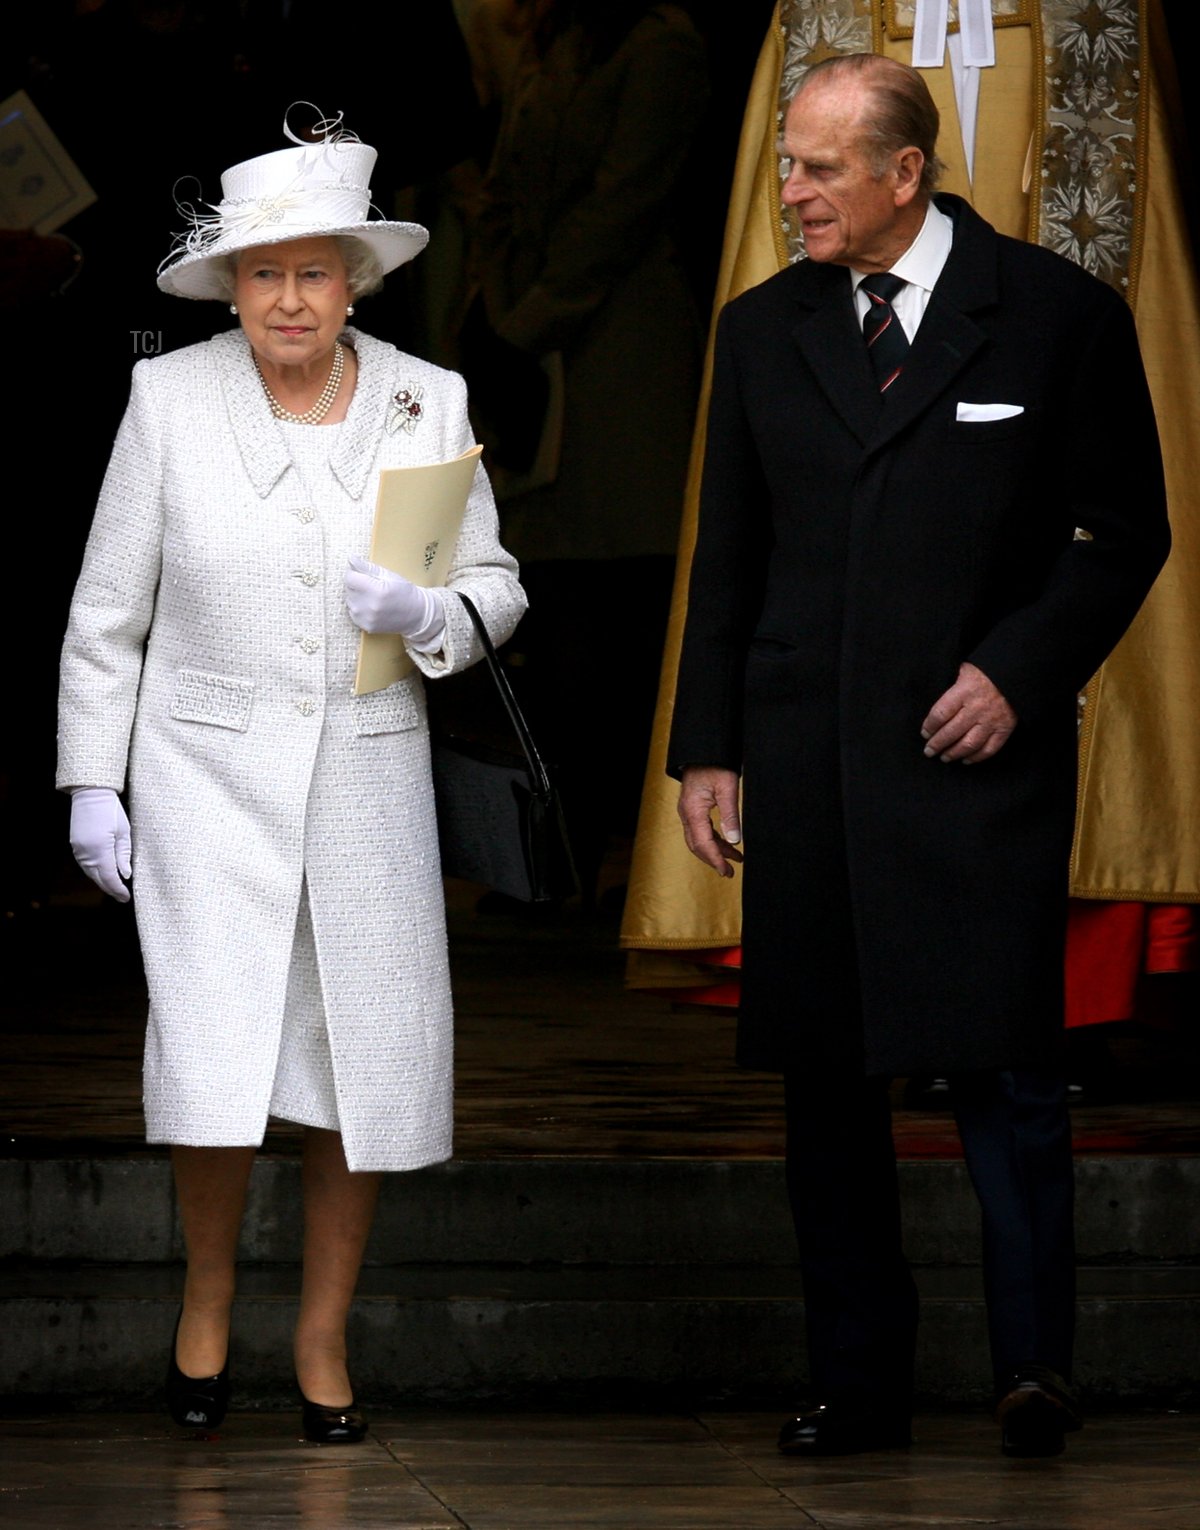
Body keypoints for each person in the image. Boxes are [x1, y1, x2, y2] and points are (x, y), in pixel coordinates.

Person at [670, 54, 1169, 1459]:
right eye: (786, 163)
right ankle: (857, 1379)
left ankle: (1034, 1367)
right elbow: (731, 555)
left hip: (975, 759)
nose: (793, 190)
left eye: (821, 168)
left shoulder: (1056, 316)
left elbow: (1126, 531)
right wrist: (707, 750)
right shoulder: (761, 330)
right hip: (809, 759)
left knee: (1007, 1070)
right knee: (826, 1079)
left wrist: (1019, 671)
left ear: (908, 174)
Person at [56, 113, 526, 1442]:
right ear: (231, 286)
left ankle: (322, 1332)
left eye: (314, 273)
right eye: (264, 274)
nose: (289, 298)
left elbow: (495, 584)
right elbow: (108, 611)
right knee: (213, 1052)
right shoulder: (170, 398)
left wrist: (428, 611)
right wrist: (94, 778)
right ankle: (205, 1300)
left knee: (354, 1065)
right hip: (202, 779)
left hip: (367, 780)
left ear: (356, 280)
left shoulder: (429, 396)